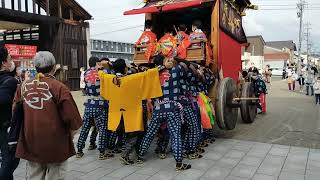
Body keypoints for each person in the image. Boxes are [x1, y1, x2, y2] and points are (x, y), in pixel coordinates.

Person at [14, 51, 82, 180]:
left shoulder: (23, 86)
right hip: (55, 140)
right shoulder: (59, 87)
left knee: (34, 174)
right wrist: (71, 135)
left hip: (31, 138)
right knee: (55, 174)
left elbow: (16, 112)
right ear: (53, 67)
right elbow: (72, 117)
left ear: (35, 67)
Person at [99, 58, 163, 165]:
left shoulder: (109, 78)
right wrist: (163, 66)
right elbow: (150, 73)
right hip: (131, 113)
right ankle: (125, 155)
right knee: (133, 135)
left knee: (126, 134)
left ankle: (131, 152)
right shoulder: (132, 78)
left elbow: (101, 73)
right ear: (125, 68)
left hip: (117, 113)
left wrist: (105, 66)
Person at [137, 55, 192, 171]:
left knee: (150, 134)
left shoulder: (152, 74)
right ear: (163, 62)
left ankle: (140, 156)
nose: (170, 61)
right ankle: (179, 164)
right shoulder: (176, 71)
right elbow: (186, 69)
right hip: (172, 108)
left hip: (158, 108)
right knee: (175, 135)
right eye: (167, 60)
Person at [76, 57, 114, 160]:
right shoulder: (103, 72)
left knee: (85, 128)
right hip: (101, 104)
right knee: (102, 129)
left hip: (89, 104)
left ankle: (79, 150)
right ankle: (102, 152)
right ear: (97, 63)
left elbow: (85, 88)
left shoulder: (86, 73)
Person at [0, 46, 19, 180]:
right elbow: (4, 99)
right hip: (5, 128)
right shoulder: (10, 81)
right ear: (3, 62)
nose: (11, 61)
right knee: (11, 160)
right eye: (9, 58)